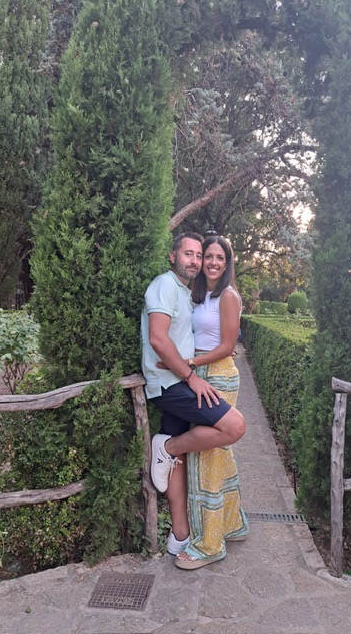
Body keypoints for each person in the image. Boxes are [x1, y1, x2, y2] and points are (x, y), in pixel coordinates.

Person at [140, 232, 246, 560]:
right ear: (173, 256)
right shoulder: (164, 285)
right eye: (191, 254)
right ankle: (167, 447)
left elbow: (221, 342)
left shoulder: (189, 293)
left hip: (185, 379)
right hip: (173, 383)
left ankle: (180, 535)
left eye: (200, 256)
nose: (197, 261)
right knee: (234, 426)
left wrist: (192, 370)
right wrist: (190, 375)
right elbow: (158, 339)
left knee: (181, 457)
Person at [174, 234, 249, 570]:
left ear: (228, 262)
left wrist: (190, 362)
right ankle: (231, 524)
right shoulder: (199, 293)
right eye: (209, 257)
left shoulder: (228, 295)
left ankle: (209, 543)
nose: (213, 263)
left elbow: (228, 346)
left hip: (217, 375)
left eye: (220, 257)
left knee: (207, 459)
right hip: (201, 374)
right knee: (218, 452)